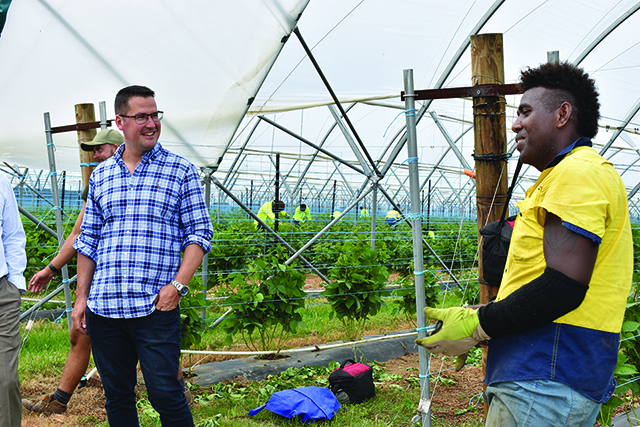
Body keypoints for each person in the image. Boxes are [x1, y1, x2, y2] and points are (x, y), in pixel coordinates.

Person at [416, 62, 632, 426]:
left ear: (563, 114)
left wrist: (478, 326)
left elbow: (562, 287)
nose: (515, 124)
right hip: (547, 374)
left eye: (526, 112)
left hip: (546, 377)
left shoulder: (576, 173)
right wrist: (478, 318)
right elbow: (542, 276)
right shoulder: (563, 176)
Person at [71, 85, 213, 426]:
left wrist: (177, 286)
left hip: (154, 305)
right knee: (117, 395)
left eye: (154, 115)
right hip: (105, 307)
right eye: (141, 117)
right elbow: (88, 241)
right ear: (120, 121)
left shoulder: (180, 171)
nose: (150, 123)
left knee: (165, 391)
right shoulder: (102, 176)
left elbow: (199, 234)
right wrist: (81, 300)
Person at [22, 128, 121, 415]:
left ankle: (176, 392)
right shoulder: (98, 184)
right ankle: (58, 402)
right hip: (100, 275)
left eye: (99, 149)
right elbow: (80, 234)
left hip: (134, 276)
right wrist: (51, 269)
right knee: (81, 333)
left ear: (115, 148)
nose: (94, 155)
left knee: (147, 335)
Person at [0, 173, 27, 427]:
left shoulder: (0, 181)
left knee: (5, 378)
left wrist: (14, 282)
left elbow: (13, 234)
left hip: (2, 290)